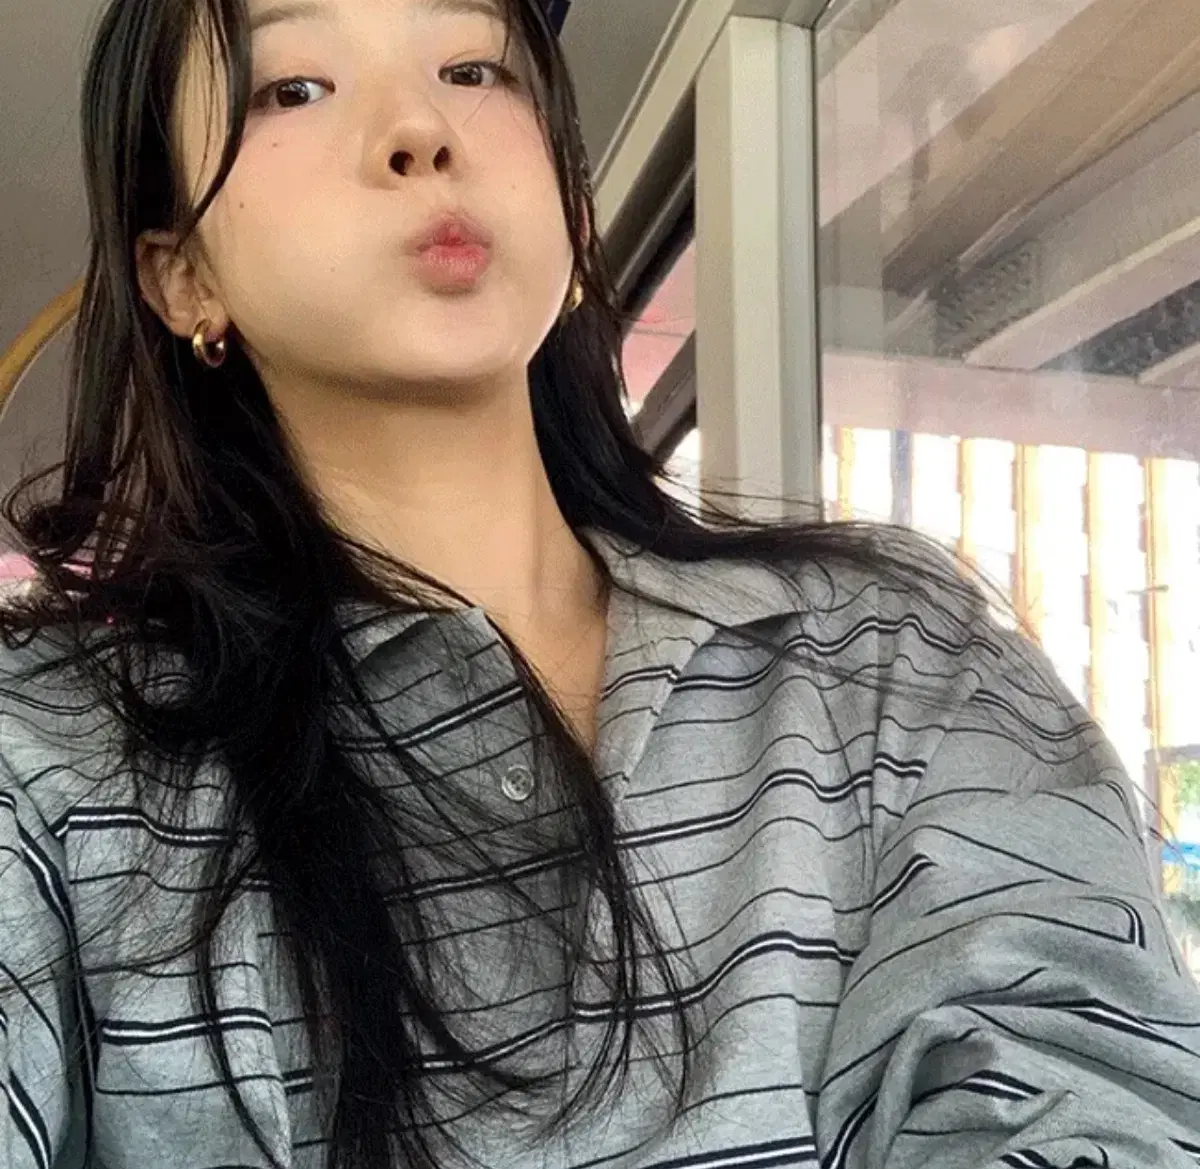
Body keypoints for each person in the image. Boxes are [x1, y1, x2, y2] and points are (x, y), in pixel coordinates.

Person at [1, 0, 1198, 1166]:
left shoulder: (899, 654)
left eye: (473, 68)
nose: (421, 130)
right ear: (183, 279)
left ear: (572, 216)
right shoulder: (48, 754)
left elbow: (1089, 1087)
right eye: (294, 87)